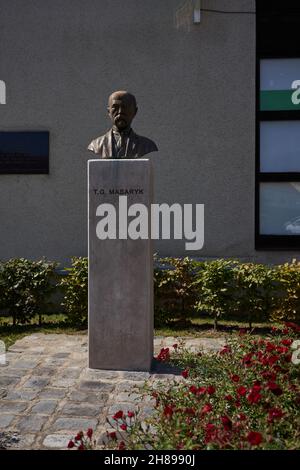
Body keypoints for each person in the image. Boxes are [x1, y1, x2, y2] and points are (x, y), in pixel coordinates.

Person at [87, 90, 158, 158]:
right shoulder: (96, 145)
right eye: (115, 107)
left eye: (125, 107)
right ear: (109, 112)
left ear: (135, 111)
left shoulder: (147, 146)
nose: (120, 112)